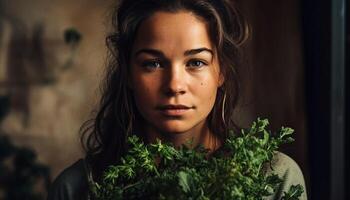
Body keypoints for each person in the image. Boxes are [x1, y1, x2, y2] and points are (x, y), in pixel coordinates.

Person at [47, 0, 307, 199]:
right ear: (128, 73)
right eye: (153, 63)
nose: (174, 85)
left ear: (221, 72)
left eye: (196, 62)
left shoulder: (273, 178)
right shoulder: (78, 188)